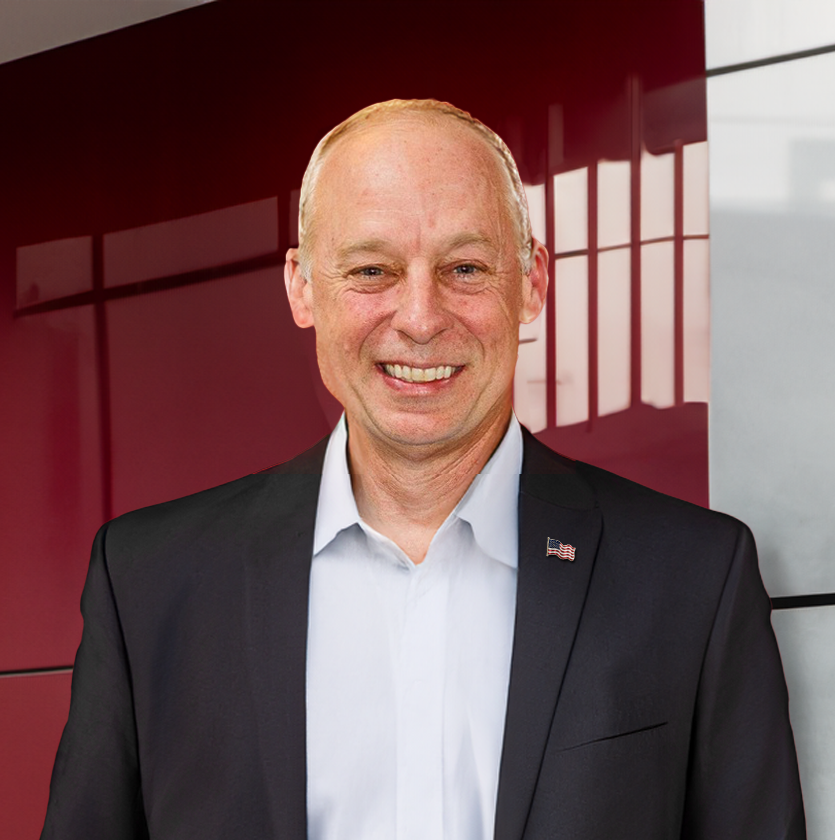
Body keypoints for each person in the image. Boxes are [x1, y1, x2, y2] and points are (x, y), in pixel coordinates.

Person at [42, 99, 805, 840]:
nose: (419, 317)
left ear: (532, 282)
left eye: (465, 267)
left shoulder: (693, 580)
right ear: (301, 286)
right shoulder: (148, 585)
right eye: (371, 270)